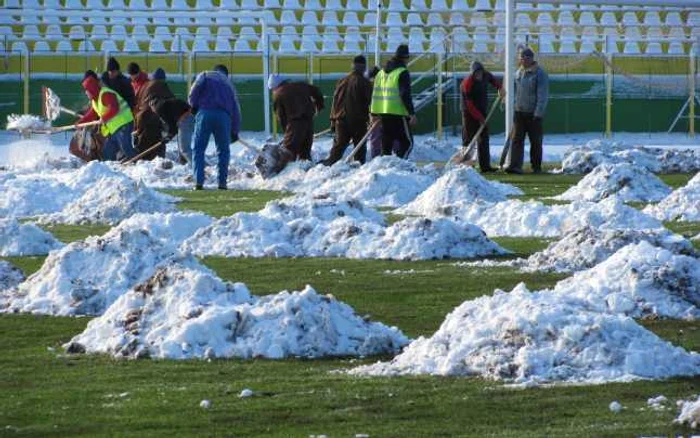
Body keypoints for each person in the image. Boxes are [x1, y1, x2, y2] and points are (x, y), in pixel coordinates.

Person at [188, 64, 241, 190]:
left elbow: (193, 92)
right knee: (223, 151)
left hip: (204, 113)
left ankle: (198, 182)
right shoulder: (230, 85)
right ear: (226, 74)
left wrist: (193, 106)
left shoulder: (205, 75)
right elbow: (236, 110)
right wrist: (235, 130)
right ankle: (222, 183)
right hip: (224, 117)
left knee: (199, 149)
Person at [504, 48, 549, 174]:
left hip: (533, 113)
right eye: (521, 58)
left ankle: (536, 166)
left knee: (535, 141)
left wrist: (538, 113)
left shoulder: (540, 74)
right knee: (517, 140)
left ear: (531, 58)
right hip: (519, 112)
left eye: (526, 58)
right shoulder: (519, 72)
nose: (523, 60)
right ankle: (515, 166)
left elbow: (542, 95)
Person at [322, 55, 373, 165]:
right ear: (364, 67)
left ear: (352, 66)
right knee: (359, 151)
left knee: (337, 150)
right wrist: (373, 117)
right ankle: (358, 171)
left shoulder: (342, 81)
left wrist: (332, 121)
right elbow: (371, 102)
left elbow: (335, 102)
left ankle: (326, 167)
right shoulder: (364, 82)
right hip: (357, 121)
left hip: (340, 120)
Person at [76, 71, 137, 161]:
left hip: (124, 123)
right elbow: (92, 114)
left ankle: (137, 163)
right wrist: (80, 123)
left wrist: (103, 118)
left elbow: (114, 108)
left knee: (125, 146)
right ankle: (110, 170)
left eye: (87, 90)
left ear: (92, 89)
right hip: (114, 129)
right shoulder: (95, 100)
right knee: (108, 152)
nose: (86, 93)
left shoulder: (105, 94)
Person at [370, 44, 417, 159]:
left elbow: (375, 94)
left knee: (386, 145)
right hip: (399, 113)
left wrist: (374, 113)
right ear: (406, 58)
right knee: (408, 143)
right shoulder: (402, 72)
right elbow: (405, 95)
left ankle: (385, 169)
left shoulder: (381, 73)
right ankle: (399, 164)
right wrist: (411, 113)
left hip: (384, 114)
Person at [268, 73, 325, 161]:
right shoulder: (301, 85)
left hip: (294, 124)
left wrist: (286, 131)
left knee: (289, 150)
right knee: (305, 150)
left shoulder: (279, 95)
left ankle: (286, 170)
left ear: (275, 86)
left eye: (272, 89)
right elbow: (317, 91)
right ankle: (305, 169)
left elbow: (281, 116)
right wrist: (319, 106)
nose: (273, 91)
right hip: (308, 121)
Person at [460, 61, 504, 172]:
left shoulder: (486, 75)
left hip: (482, 110)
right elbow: (469, 105)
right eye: (476, 74)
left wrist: (500, 88)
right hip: (468, 113)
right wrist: (480, 118)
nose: (479, 76)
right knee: (468, 139)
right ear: (473, 74)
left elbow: (494, 81)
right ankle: (466, 166)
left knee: (483, 139)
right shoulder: (467, 84)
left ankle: (485, 167)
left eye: (480, 73)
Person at [133, 67, 174, 160]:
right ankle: (158, 159)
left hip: (141, 117)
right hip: (154, 118)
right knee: (157, 142)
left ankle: (141, 160)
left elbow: (137, 101)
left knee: (142, 142)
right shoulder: (162, 85)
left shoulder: (145, 85)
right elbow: (171, 100)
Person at [149, 96, 194, 165]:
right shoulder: (165, 104)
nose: (152, 111)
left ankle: (199, 167)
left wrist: (168, 137)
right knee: (181, 146)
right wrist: (169, 136)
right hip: (186, 118)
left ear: (153, 105)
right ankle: (184, 164)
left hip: (185, 120)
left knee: (185, 149)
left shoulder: (159, 108)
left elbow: (172, 126)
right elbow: (173, 126)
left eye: (151, 108)